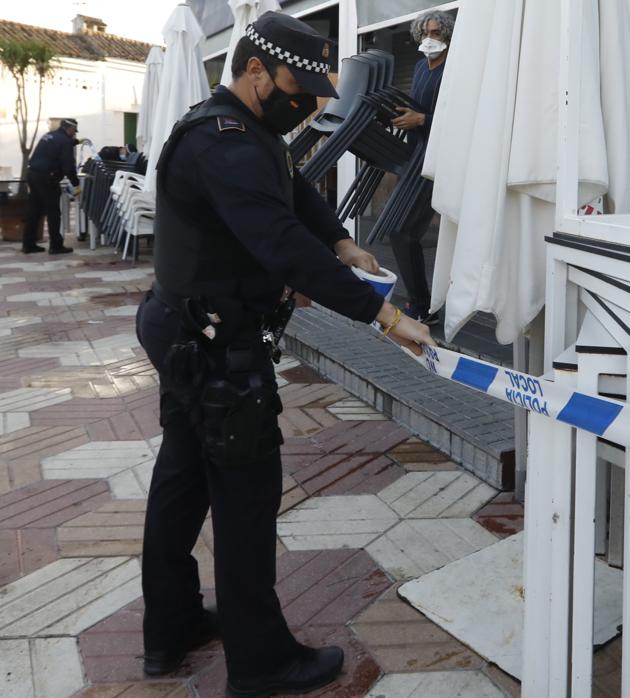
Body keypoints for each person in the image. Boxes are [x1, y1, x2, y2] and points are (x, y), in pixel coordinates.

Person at [134, 12, 433, 697]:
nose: (310, 106)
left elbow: (293, 189)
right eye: (301, 89)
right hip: (211, 343)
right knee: (244, 496)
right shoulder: (227, 145)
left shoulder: (239, 129)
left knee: (182, 480)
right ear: (257, 72)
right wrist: (383, 315)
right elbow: (278, 239)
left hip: (186, 330)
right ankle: (262, 661)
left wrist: (341, 241)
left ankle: (171, 626)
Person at [388, 9, 453, 326]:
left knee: (402, 230)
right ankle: (422, 302)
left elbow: (462, 116)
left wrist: (422, 120)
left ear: (447, 35)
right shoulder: (417, 67)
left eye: (436, 33)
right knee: (401, 231)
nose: (430, 39)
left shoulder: (454, 69)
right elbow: (417, 107)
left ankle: (425, 305)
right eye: (425, 33)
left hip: (440, 161)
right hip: (415, 157)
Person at [22, 117, 79, 254]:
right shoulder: (65, 141)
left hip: (32, 174)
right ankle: (56, 246)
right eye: (74, 131)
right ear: (69, 128)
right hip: (47, 178)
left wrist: (73, 142)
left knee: (34, 211)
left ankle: (28, 244)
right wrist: (76, 184)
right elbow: (68, 167)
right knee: (53, 212)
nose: (74, 134)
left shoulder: (49, 135)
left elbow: (55, 147)